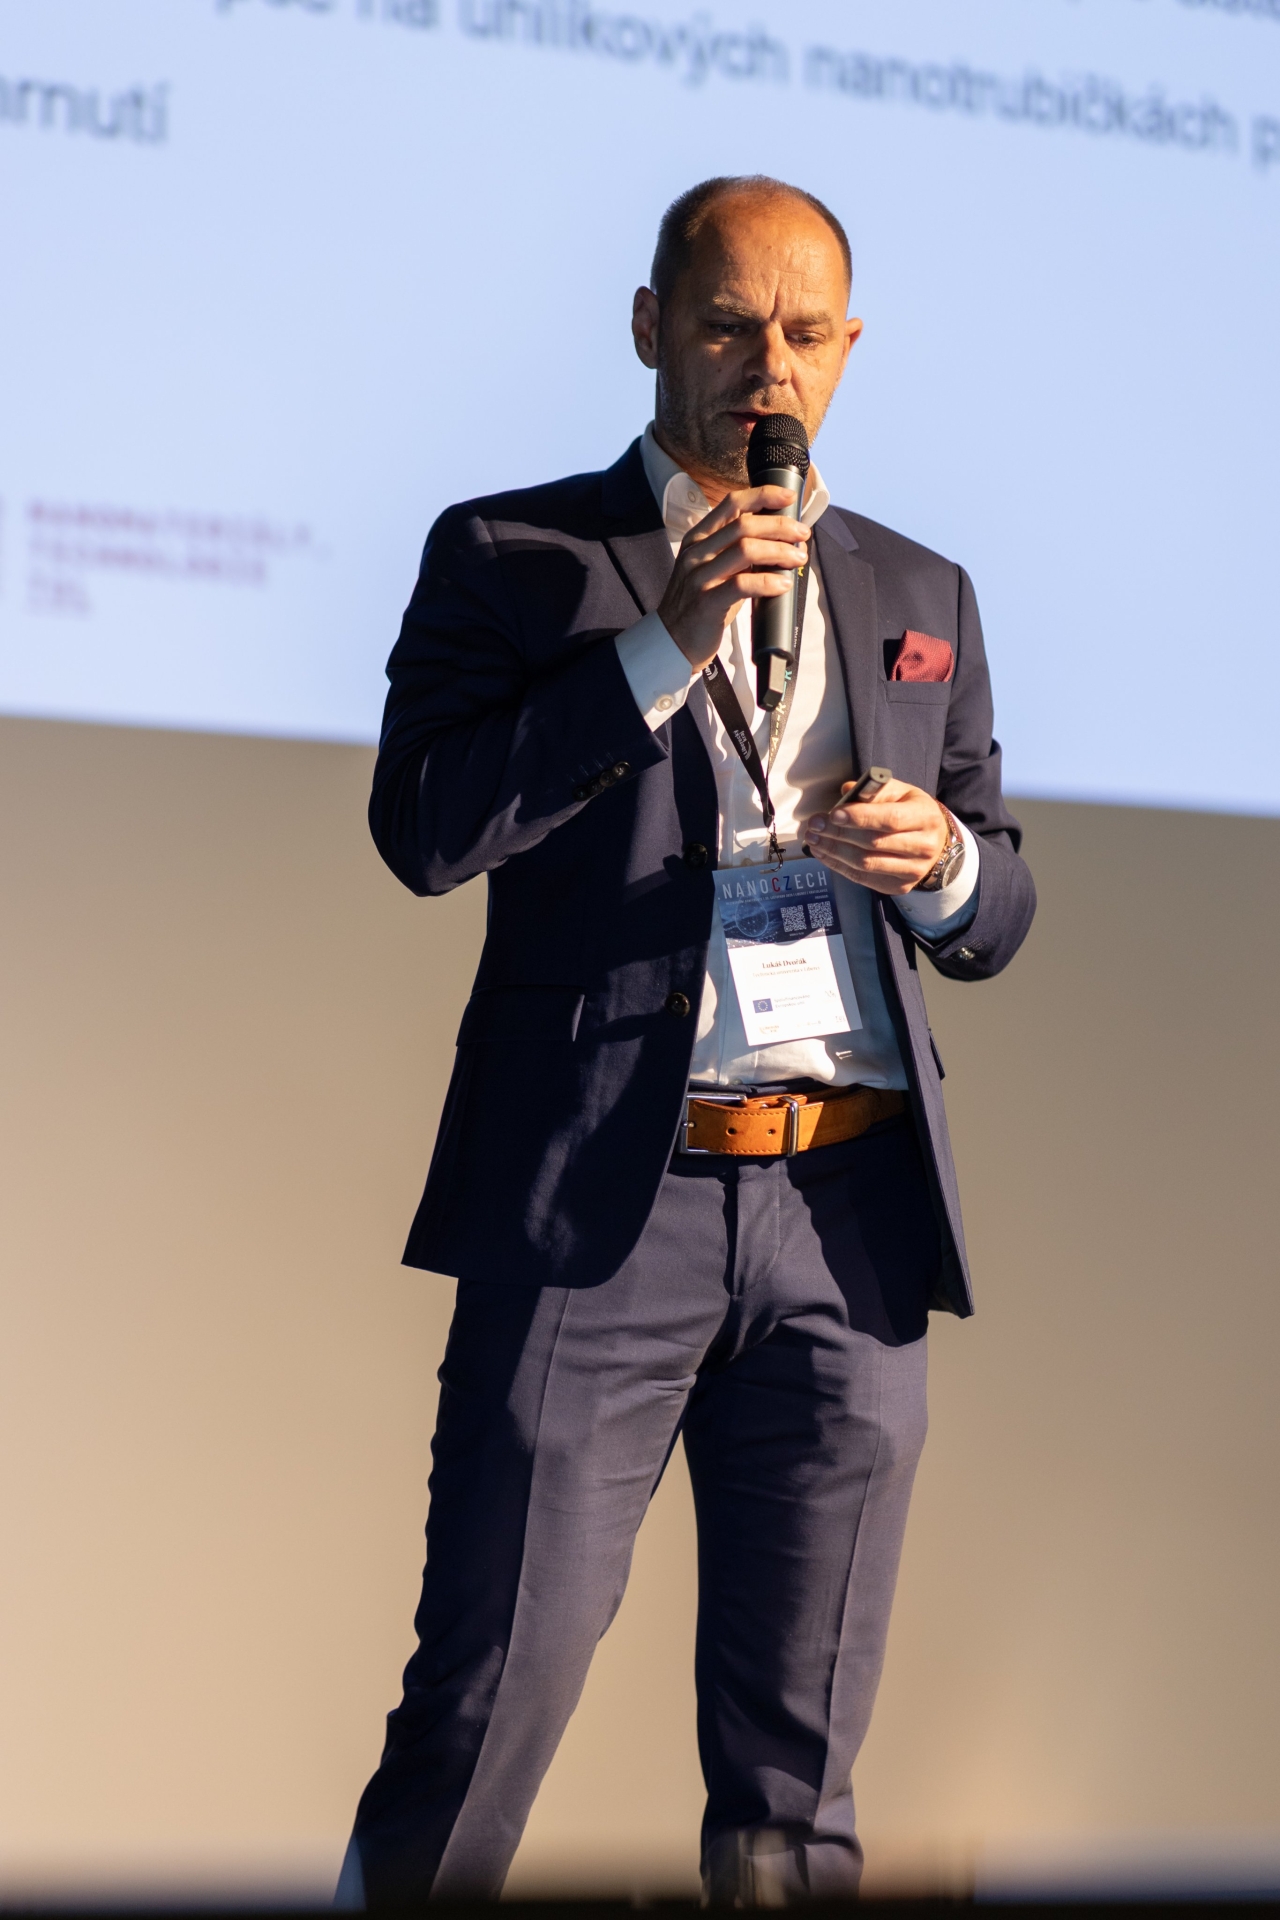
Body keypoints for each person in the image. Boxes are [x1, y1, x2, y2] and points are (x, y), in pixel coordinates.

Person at [337, 174, 1035, 1908]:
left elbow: (1000, 901)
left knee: (799, 1790)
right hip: (604, 1208)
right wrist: (664, 645)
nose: (766, 369)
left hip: (847, 1217)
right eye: (728, 326)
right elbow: (426, 828)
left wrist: (943, 866)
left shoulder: (921, 587)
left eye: (803, 334)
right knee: (481, 1712)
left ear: (849, 350)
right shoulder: (513, 556)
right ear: (653, 328)